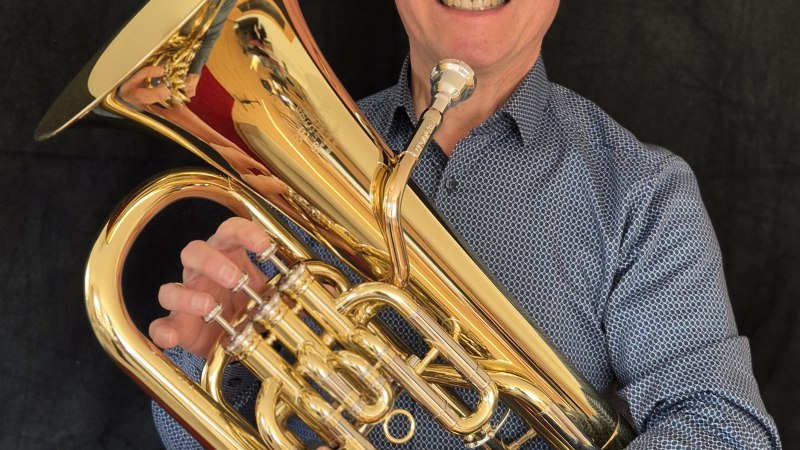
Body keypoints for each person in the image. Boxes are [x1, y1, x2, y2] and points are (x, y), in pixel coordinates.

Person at [149, 0, 782, 448]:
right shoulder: (287, 157)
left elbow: (724, 430)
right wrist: (206, 358)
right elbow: (211, 428)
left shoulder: (641, 191)